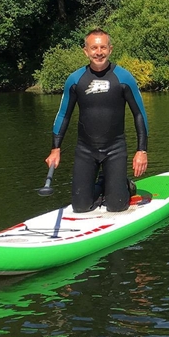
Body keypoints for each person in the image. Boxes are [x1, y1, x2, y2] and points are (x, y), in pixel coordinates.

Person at [45, 29, 148, 213]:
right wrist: (55, 149)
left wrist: (141, 151)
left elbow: (139, 114)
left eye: (103, 47)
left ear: (110, 49)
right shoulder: (75, 80)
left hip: (115, 149)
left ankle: (123, 185)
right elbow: (63, 115)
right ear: (86, 51)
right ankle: (105, 183)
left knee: (116, 207)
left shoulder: (123, 78)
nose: (98, 52)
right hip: (85, 150)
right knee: (80, 207)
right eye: (94, 48)